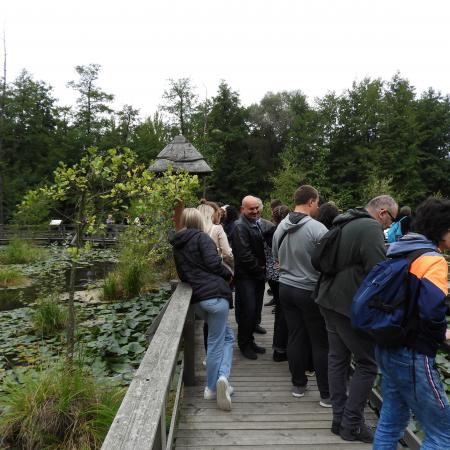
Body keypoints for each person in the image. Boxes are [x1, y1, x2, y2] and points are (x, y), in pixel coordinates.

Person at [315, 195, 398, 443]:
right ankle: (352, 424)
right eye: (391, 220)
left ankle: (339, 419)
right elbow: (379, 271)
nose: (389, 226)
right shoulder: (370, 227)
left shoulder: (346, 220)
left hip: (327, 298)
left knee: (337, 359)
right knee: (367, 363)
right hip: (348, 304)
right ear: (383, 212)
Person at [373, 197, 450, 449]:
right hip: (413, 354)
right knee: (443, 433)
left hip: (388, 345)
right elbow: (431, 312)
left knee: (391, 420)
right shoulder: (433, 260)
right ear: (442, 230)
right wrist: (443, 333)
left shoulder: (401, 248)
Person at [169, 208, 234, 411]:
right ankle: (214, 386)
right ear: (199, 221)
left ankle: (220, 381)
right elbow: (215, 264)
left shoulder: (177, 245)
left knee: (226, 336)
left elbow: (183, 275)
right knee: (217, 341)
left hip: (197, 300)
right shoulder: (202, 238)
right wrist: (229, 274)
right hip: (215, 296)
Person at [272, 185, 330, 405]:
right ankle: (326, 395)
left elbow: (276, 257)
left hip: (285, 288)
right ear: (312, 201)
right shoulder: (318, 229)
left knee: (295, 336)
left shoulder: (280, 227)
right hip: (309, 289)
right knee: (320, 341)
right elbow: (327, 262)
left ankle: (298, 385)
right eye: (317, 202)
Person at [231, 195, 268, 360]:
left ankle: (250, 341)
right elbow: (244, 255)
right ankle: (244, 344)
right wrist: (260, 270)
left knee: (254, 311)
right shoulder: (240, 226)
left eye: (256, 208)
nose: (255, 211)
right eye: (251, 208)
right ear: (242, 210)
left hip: (257, 276)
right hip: (247, 276)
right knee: (247, 310)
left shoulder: (255, 223)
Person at [266, 204, 289, 362]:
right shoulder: (287, 232)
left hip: (272, 275)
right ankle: (282, 349)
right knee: (285, 314)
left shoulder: (268, 232)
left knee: (281, 311)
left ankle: (279, 348)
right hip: (284, 276)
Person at [197, 203, 234, 271]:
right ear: (214, 214)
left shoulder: (192, 229)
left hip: (196, 271)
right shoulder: (217, 229)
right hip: (215, 271)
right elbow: (227, 254)